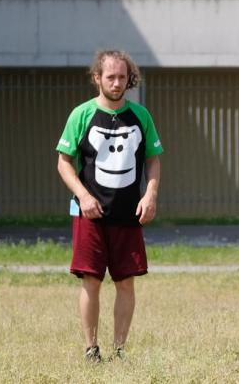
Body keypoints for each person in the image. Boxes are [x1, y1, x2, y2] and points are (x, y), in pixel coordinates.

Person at [56, 49, 163, 361]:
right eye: (111, 77)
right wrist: (84, 196)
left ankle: (119, 350)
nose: (117, 83)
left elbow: (153, 160)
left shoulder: (141, 116)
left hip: (128, 215)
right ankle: (91, 348)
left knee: (126, 282)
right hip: (90, 215)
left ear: (129, 79)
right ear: (97, 78)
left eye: (122, 77)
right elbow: (63, 163)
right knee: (91, 281)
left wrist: (151, 194)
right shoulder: (81, 115)